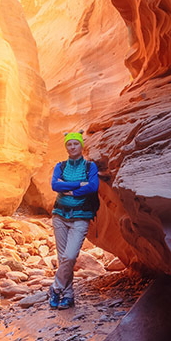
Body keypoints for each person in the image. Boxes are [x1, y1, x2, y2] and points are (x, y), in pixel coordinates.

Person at [49, 132, 99, 309]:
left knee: (70, 256)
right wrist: (79, 185)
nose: (72, 147)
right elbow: (55, 185)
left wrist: (69, 189)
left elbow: (93, 186)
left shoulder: (89, 166)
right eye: (69, 144)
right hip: (59, 216)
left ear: (81, 146)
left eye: (75, 144)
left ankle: (55, 288)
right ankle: (68, 296)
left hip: (81, 216)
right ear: (66, 147)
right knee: (63, 258)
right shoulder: (60, 166)